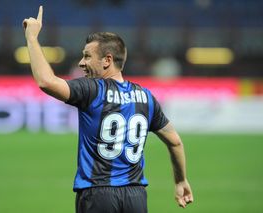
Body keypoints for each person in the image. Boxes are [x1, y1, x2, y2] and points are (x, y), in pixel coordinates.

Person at [23, 6, 193, 213]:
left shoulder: (92, 90)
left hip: (98, 194)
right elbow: (175, 142)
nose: (81, 62)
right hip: (136, 197)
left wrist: (32, 38)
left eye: (87, 56)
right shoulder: (146, 97)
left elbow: (46, 82)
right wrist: (180, 180)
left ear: (107, 60)